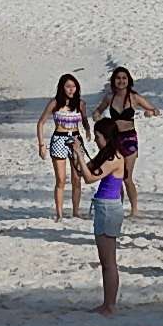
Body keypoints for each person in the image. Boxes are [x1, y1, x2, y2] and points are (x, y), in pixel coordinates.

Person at [69, 119, 126, 315]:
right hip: (104, 207)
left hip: (109, 209)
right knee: (106, 262)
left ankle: (109, 305)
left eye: (98, 136)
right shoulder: (106, 154)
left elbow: (90, 178)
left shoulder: (115, 157)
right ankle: (107, 303)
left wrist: (78, 153)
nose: (96, 140)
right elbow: (84, 169)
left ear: (107, 137)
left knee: (109, 262)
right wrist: (76, 153)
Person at [91, 67, 160, 217]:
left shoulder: (134, 97)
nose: (121, 81)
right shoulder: (110, 97)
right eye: (118, 78)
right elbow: (98, 110)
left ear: (128, 80)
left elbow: (154, 109)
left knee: (127, 176)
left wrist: (150, 112)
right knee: (115, 174)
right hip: (114, 138)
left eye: (124, 78)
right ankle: (118, 206)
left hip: (129, 138)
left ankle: (134, 208)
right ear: (113, 81)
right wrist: (96, 115)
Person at [35, 73, 90, 220]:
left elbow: (84, 119)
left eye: (74, 86)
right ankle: (59, 213)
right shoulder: (55, 103)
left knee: (76, 178)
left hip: (75, 138)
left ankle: (76, 211)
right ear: (62, 88)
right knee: (60, 179)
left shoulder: (80, 103)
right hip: (59, 138)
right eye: (68, 86)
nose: (71, 89)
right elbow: (41, 122)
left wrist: (89, 130)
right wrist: (41, 144)